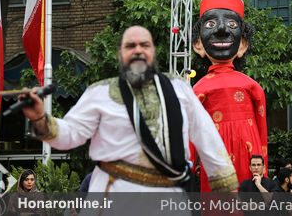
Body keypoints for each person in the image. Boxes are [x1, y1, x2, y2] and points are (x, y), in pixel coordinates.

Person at [20, 25, 238, 192]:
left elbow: (206, 135)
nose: (138, 50)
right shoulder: (99, 92)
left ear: (153, 52)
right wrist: (40, 117)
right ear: (120, 54)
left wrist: (226, 189)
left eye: (145, 45)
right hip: (113, 192)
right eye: (130, 46)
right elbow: (70, 135)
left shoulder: (179, 89)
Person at [190, 0, 267, 191]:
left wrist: (263, 170)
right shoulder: (198, 89)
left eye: (232, 25)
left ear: (242, 45)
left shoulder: (252, 86)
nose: (222, 30)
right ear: (198, 44)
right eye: (210, 25)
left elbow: (262, 129)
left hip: (249, 152)